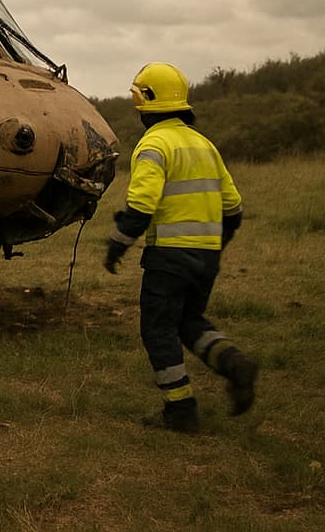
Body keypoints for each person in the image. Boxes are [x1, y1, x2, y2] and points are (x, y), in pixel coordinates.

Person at [103, 61, 259, 433]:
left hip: (169, 258)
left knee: (157, 330)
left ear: (148, 102)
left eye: (138, 100)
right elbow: (233, 209)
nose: (136, 107)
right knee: (188, 321)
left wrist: (118, 244)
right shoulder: (204, 144)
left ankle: (180, 408)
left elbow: (141, 206)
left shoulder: (153, 145)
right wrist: (213, 248)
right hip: (205, 259)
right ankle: (234, 363)